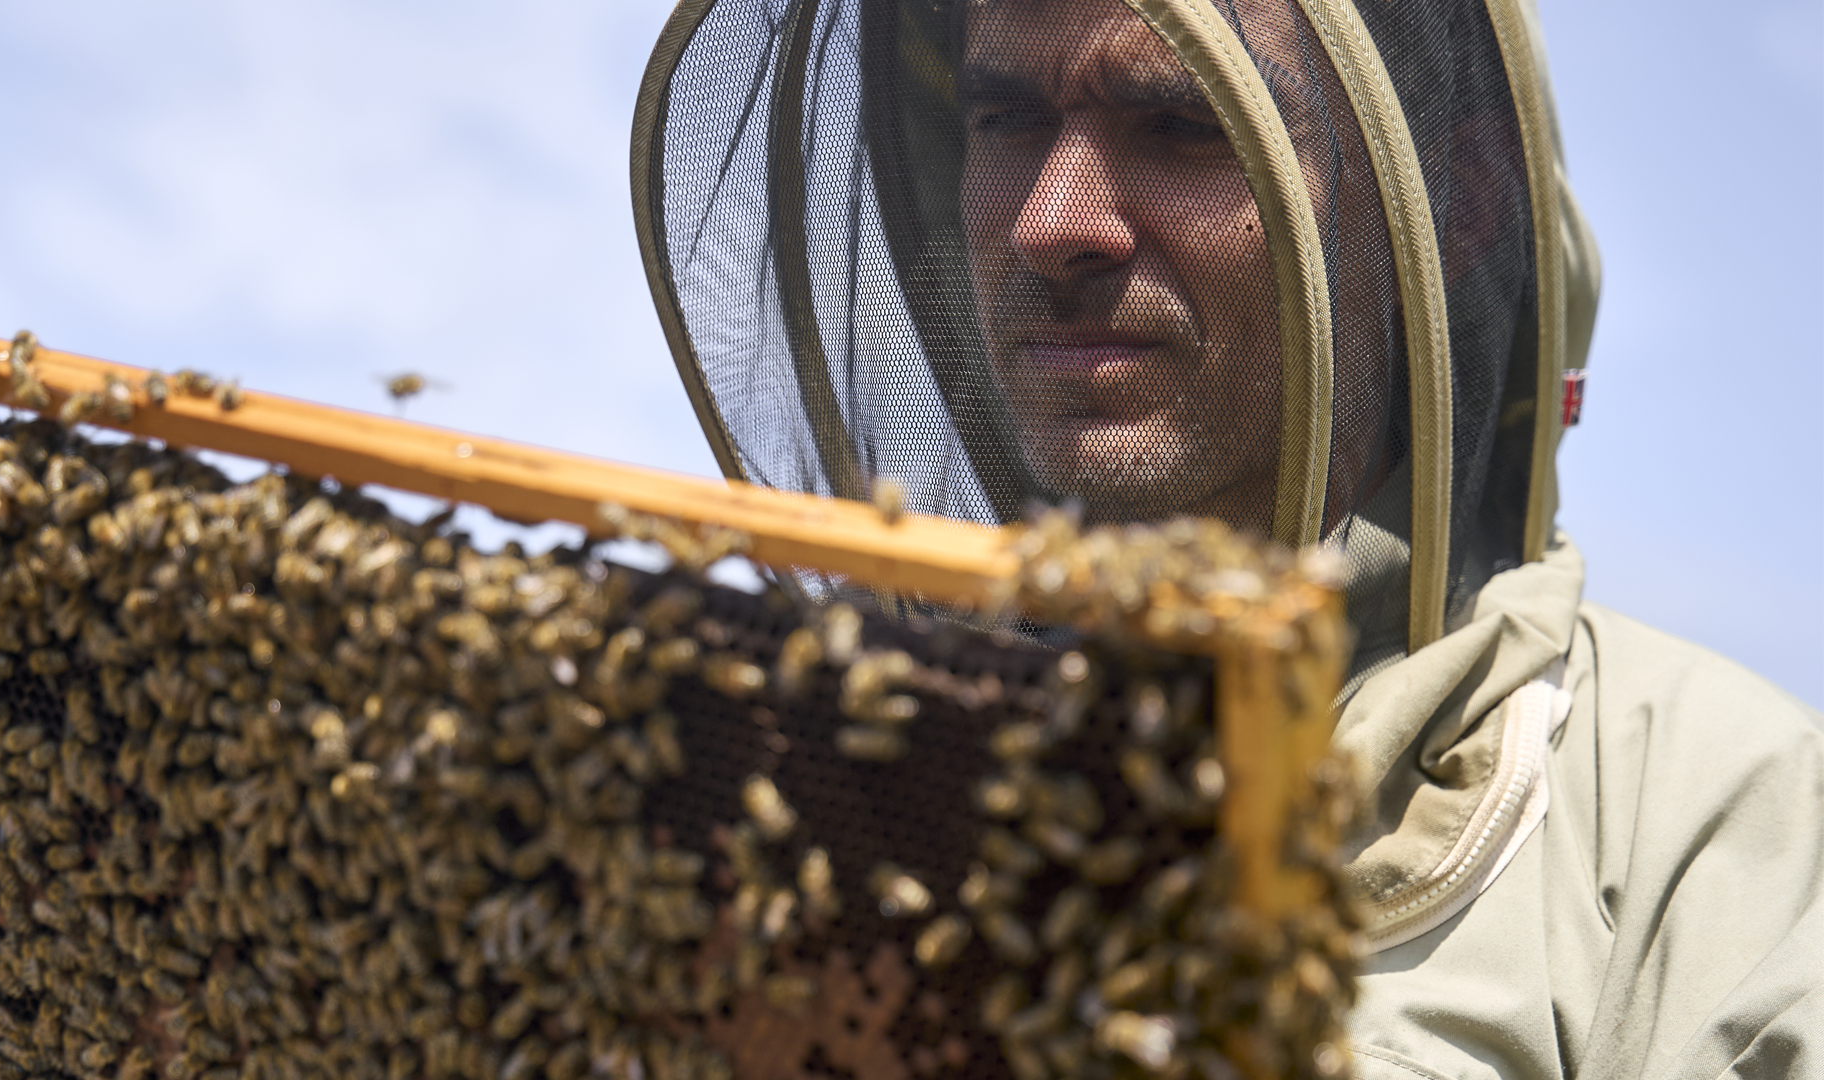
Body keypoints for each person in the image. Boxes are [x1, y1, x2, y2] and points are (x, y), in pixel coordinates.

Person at [634, 0, 1824, 1074]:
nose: (1054, 221)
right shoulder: (821, 771)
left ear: (1454, 205)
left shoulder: (1722, 823)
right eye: (1003, 115)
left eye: (1184, 121)